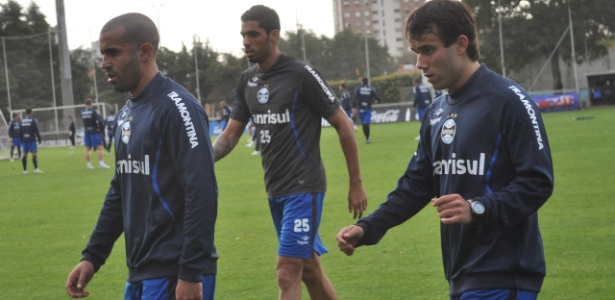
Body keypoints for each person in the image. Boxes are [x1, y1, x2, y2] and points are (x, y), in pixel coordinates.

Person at [336, 1, 554, 299]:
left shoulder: (509, 101)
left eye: (428, 50)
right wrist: (369, 227)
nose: (420, 63)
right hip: (461, 273)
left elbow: (537, 182)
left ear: (461, 44)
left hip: (504, 272)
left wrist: (478, 208)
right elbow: (417, 184)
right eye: (416, 53)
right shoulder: (436, 112)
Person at [213, 5, 367, 299]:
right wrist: (199, 161)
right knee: (310, 271)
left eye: (253, 34)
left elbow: (344, 126)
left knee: (287, 271)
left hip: (303, 188)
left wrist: (356, 183)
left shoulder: (301, 74)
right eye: (243, 34)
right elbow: (231, 134)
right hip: (276, 190)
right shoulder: (247, 81)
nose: (245, 41)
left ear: (274, 35)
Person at [65, 13, 219, 300]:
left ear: (145, 52)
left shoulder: (178, 108)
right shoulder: (128, 112)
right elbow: (120, 190)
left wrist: (190, 271)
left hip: (175, 270)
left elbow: (202, 192)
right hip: (142, 269)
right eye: (102, 54)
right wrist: (92, 256)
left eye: (113, 52)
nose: (104, 63)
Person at [80, 98, 110, 169]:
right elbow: (100, 120)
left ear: (85, 104)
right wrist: (100, 129)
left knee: (87, 149)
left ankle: (89, 165)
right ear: (91, 104)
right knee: (99, 148)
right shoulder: (93, 111)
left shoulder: (82, 112)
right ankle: (101, 164)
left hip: (87, 131)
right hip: (94, 131)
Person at [353, 77, 380, 144]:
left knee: (364, 124)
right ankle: (367, 138)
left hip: (361, 110)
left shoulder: (359, 89)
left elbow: (354, 98)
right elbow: (378, 98)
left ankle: (367, 138)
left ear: (362, 81)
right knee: (365, 124)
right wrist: (376, 101)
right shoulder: (370, 89)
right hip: (367, 109)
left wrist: (354, 107)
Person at [19, 108, 42, 174]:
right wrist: (39, 139)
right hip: (31, 139)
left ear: (26, 113)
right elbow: (36, 130)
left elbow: (20, 131)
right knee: (34, 154)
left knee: (24, 155)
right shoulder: (33, 120)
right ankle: (36, 169)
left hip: (24, 140)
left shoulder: (22, 121)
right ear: (31, 112)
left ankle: (25, 170)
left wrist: (21, 140)